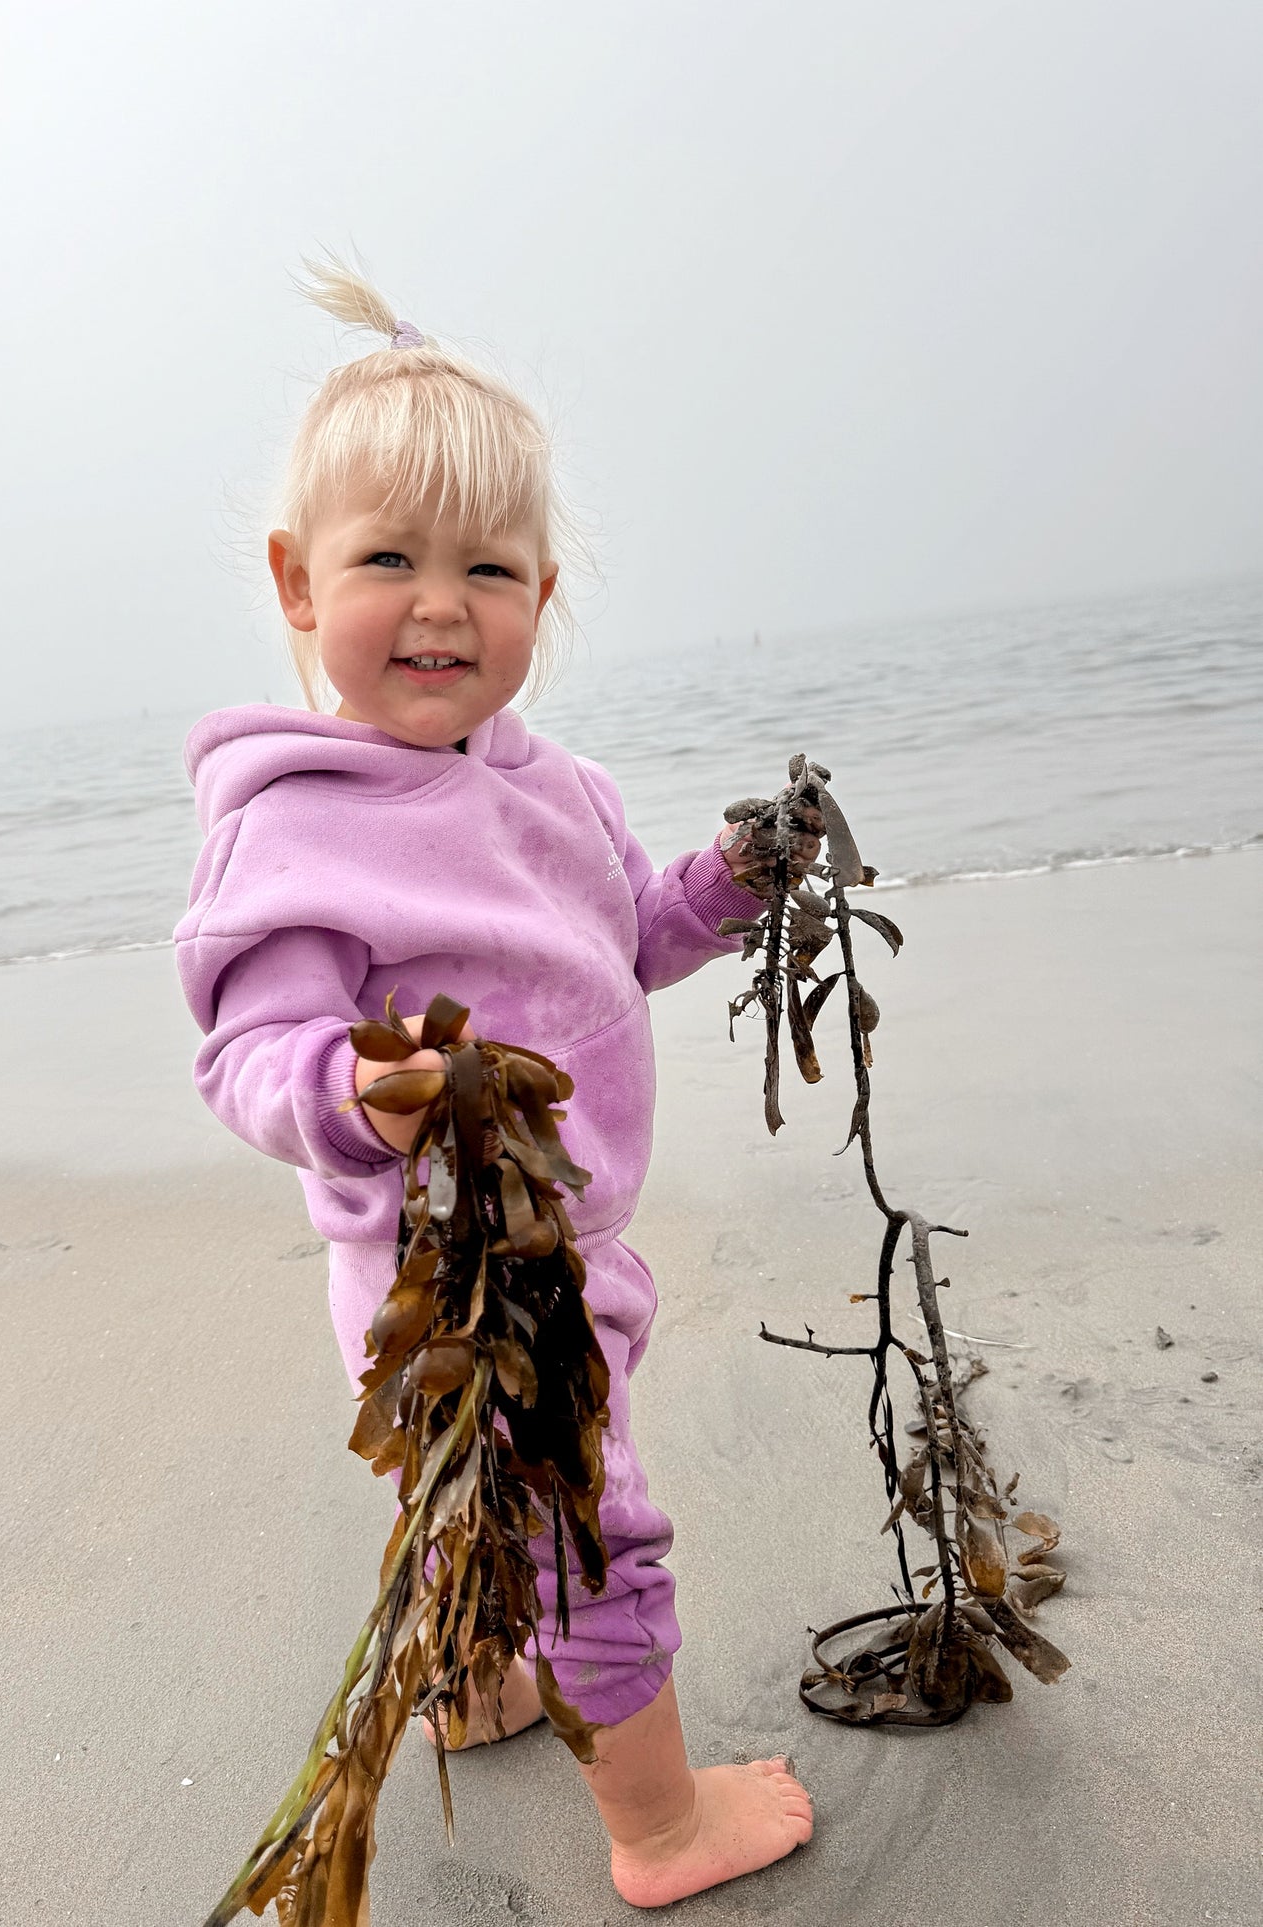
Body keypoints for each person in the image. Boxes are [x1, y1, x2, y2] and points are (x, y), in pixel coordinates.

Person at [174, 261, 814, 1909]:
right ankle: (663, 1830)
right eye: (388, 559)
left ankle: (476, 1688)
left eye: (488, 567)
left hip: (568, 1232)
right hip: (455, 1281)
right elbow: (250, 1057)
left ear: (544, 589)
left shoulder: (559, 791)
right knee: (590, 1527)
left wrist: (728, 883)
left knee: (494, 1524)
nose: (441, 603)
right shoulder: (296, 820)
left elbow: (623, 948)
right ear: (296, 585)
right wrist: (356, 1086)